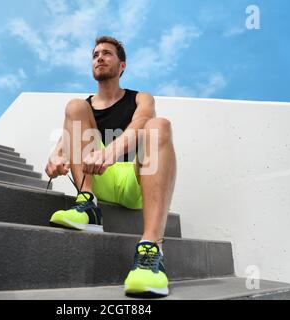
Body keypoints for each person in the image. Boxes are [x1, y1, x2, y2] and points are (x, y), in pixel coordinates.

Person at [45, 36, 177, 297]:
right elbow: (63, 145)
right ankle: (88, 205)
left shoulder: (141, 97)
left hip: (135, 180)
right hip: (95, 179)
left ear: (122, 65)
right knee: (74, 106)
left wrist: (112, 152)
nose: (99, 58)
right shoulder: (82, 108)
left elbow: (142, 123)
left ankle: (151, 249)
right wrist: (55, 159)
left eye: (107, 53)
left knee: (159, 125)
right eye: (95, 55)